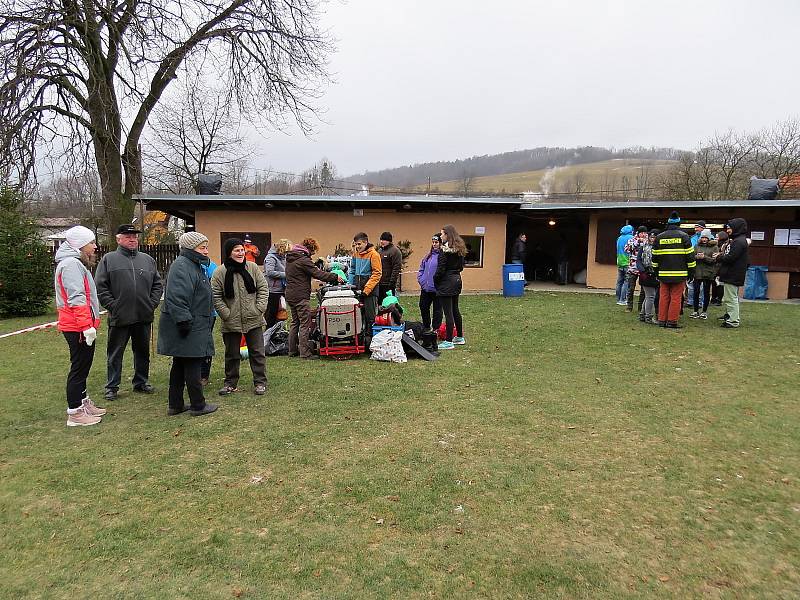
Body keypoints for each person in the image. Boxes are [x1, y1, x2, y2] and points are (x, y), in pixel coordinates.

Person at [94, 224, 163, 401]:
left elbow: (157, 284)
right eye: (127, 236)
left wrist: (152, 303)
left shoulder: (147, 260)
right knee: (115, 353)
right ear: (118, 239)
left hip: (143, 315)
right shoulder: (109, 259)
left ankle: (141, 381)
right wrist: (113, 306)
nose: (132, 239)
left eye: (134, 236)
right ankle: (112, 386)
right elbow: (101, 287)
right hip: (119, 316)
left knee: (142, 352)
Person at [157, 232, 218, 417]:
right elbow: (176, 297)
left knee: (180, 364)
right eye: (202, 248)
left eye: (206, 247)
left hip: (193, 322)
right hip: (189, 324)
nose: (206, 251)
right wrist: (184, 321)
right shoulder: (183, 266)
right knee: (192, 364)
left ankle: (175, 405)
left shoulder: (194, 265)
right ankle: (198, 405)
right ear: (190, 249)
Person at [55, 226, 106, 426]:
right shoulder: (70, 265)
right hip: (76, 326)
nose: (95, 247)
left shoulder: (75, 263)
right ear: (80, 245)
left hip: (80, 325)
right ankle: (75, 412)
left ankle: (83, 402)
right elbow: (77, 298)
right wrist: (86, 326)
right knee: (79, 367)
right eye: (91, 243)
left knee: (84, 366)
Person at [211, 238, 269, 395]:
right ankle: (230, 383)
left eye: (242, 250)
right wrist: (226, 314)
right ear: (229, 253)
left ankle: (260, 382)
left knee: (257, 352)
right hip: (231, 320)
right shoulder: (220, 272)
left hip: (254, 318)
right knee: (232, 354)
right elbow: (216, 296)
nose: (241, 253)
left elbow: (263, 288)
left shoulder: (252, 268)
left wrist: (259, 308)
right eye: (236, 250)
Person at [285, 238, 344, 358]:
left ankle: (292, 351)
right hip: (301, 296)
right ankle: (305, 353)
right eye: (313, 252)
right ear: (310, 249)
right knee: (304, 324)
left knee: (295, 322)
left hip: (290, 295)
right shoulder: (303, 260)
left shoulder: (291, 258)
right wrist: (335, 277)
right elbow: (318, 274)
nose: (312, 254)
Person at [652, 211, 695, 329]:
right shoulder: (684, 237)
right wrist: (691, 272)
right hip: (680, 274)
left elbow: (654, 257)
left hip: (663, 274)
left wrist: (656, 272)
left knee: (663, 296)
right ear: (679, 223)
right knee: (676, 297)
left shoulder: (659, 237)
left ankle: (661, 320)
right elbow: (690, 257)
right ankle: (672, 321)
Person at [714, 219, 750, 328]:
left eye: (729, 228)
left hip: (732, 274)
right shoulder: (739, 240)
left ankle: (733, 321)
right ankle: (730, 317)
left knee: (731, 298)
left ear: (736, 228)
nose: (727, 230)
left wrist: (719, 257)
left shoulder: (738, 242)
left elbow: (731, 258)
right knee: (731, 297)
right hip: (733, 274)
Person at [436, 224, 466, 349]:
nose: (440, 236)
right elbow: (462, 267)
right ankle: (459, 337)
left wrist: (436, 280)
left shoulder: (444, 251)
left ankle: (448, 341)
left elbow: (440, 269)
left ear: (448, 235)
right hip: (457, 280)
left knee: (448, 312)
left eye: (442, 234)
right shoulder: (460, 249)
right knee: (455, 309)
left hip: (447, 282)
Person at [348, 232, 382, 338]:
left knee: (370, 316)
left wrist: (366, 290)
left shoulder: (374, 255)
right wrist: (351, 284)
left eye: (359, 244)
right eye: (356, 244)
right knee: (358, 314)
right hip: (357, 288)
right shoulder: (356, 254)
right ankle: (360, 336)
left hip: (370, 291)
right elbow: (352, 269)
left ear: (365, 242)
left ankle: (372, 338)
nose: (357, 247)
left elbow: (377, 273)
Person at [417, 233, 443, 332]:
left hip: (437, 289)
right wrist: (421, 279)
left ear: (441, 243)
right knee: (423, 306)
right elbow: (422, 268)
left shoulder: (442, 257)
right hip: (426, 288)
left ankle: (436, 328)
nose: (434, 244)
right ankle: (426, 326)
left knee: (437, 310)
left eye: (436, 242)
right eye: (433, 242)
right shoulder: (428, 256)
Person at [690, 229, 717, 319]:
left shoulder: (714, 247)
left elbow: (714, 260)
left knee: (706, 292)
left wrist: (704, 257)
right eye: (703, 237)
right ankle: (695, 310)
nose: (704, 239)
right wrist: (696, 257)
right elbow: (692, 257)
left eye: (706, 237)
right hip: (697, 272)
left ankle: (704, 311)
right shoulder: (697, 246)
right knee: (696, 292)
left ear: (709, 238)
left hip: (708, 273)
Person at [264, 239, 290, 328]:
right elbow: (269, 272)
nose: (287, 253)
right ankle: (268, 335)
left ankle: (277, 333)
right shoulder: (271, 257)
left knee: (281, 313)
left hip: (282, 289)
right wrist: (286, 275)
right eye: (286, 251)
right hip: (273, 290)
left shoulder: (284, 258)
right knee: (272, 314)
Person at [200, 258, 218, 386]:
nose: (205, 251)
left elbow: (215, 288)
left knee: (205, 342)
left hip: (209, 312)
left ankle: (203, 375)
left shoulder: (211, 266)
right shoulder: (182, 265)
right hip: (190, 311)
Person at [637, 229, 659, 324]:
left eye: (654, 237)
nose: (652, 239)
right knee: (651, 296)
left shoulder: (659, 248)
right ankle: (648, 316)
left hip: (655, 273)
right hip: (645, 273)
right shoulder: (643, 247)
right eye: (651, 237)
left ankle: (642, 314)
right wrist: (643, 271)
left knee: (648, 296)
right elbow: (638, 260)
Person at [624, 226, 648, 312]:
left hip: (643, 268)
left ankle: (640, 307)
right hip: (632, 268)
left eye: (645, 233)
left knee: (643, 289)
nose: (643, 234)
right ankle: (629, 306)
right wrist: (637, 242)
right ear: (638, 233)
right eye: (641, 232)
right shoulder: (632, 240)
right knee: (631, 288)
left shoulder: (648, 241)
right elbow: (626, 249)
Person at [377, 231, 403, 302]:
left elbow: (396, 268)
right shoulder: (379, 251)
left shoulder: (395, 251)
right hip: (379, 283)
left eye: (384, 240)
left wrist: (392, 283)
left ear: (389, 241)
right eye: (381, 240)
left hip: (388, 284)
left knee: (390, 304)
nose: (382, 241)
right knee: (380, 304)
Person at [687, 220, 706, 308]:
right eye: (695, 227)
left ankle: (700, 302)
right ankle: (690, 302)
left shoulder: (709, 238)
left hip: (703, 264)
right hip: (693, 262)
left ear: (702, 228)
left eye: (697, 227)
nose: (696, 229)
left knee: (701, 285)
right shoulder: (693, 237)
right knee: (690, 283)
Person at [615, 225, 634, 305]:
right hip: (627, 262)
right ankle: (623, 300)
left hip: (619, 262)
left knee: (619, 282)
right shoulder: (631, 238)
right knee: (626, 282)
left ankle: (618, 298)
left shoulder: (619, 238)